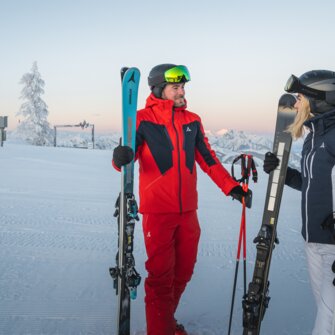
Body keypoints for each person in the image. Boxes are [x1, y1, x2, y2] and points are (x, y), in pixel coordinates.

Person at [112, 64, 251, 335]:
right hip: (158, 213)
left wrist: (232, 188)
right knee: (161, 279)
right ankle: (160, 329)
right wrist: (119, 160)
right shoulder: (141, 120)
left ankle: (164, 322)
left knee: (184, 272)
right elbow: (127, 157)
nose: (181, 91)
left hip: (188, 212)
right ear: (158, 89)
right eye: (175, 87)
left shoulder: (192, 121)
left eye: (183, 87)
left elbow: (208, 160)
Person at [263, 70, 335, 335]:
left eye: (300, 97)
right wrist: (284, 173)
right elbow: (314, 184)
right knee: (327, 315)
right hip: (314, 243)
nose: (295, 104)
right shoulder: (314, 138)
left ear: (320, 99)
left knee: (326, 327)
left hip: (333, 248)